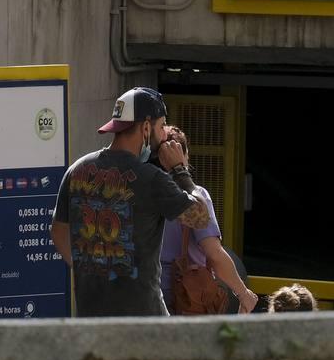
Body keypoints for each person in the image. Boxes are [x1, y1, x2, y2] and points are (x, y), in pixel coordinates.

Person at [51, 88, 213, 317]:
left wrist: (92, 269)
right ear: (146, 127)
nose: (164, 136)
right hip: (143, 319)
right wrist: (180, 170)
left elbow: (58, 232)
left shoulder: (77, 169)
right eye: (161, 126)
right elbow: (200, 218)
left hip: (90, 314)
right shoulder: (151, 178)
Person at [156, 126, 259, 315]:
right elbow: (214, 253)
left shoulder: (142, 191)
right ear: (183, 156)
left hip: (149, 299)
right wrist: (244, 294)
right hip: (188, 301)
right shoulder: (196, 196)